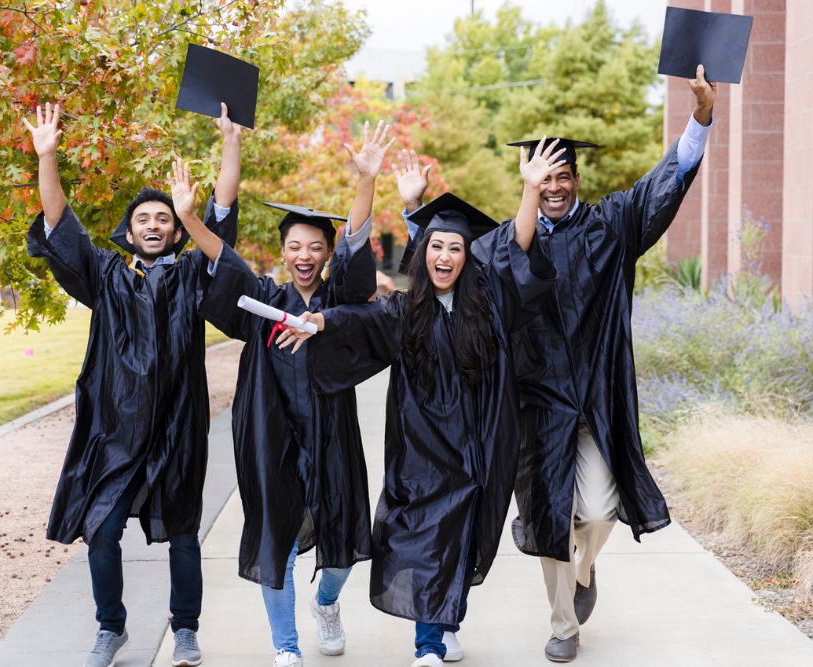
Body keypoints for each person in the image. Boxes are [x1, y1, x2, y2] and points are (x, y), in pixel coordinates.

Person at [284, 139, 564, 667]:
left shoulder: (489, 302)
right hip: (421, 450)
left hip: (479, 448)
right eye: (436, 247)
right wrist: (318, 320)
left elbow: (518, 247)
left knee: (462, 540)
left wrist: (530, 190)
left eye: (456, 249)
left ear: (467, 257)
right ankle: (428, 646)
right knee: (425, 539)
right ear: (422, 254)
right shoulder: (404, 311)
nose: (445, 256)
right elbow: (355, 321)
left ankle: (445, 618)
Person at [492, 65, 715, 662]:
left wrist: (699, 117)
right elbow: (473, 266)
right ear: (530, 183)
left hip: (596, 397)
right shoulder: (511, 236)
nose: (555, 187)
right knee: (548, 521)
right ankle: (563, 625)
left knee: (592, 511)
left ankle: (586, 571)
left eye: (563, 176)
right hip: (537, 406)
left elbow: (660, 186)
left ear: (577, 178)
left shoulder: (610, 226)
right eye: (544, 179)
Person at [23, 101, 244, 667]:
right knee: (102, 528)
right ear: (129, 229)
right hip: (114, 429)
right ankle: (110, 626)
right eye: (144, 218)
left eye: (164, 219)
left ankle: (186, 628)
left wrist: (229, 143)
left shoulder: (194, 274)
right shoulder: (107, 275)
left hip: (175, 424)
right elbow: (58, 224)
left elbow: (220, 213)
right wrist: (47, 157)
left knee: (185, 533)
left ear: (175, 230)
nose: (153, 225)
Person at [171, 121, 394, 667]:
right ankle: (286, 647)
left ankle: (326, 604)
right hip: (269, 436)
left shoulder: (338, 298)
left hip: (330, 434)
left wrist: (365, 182)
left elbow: (358, 251)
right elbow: (223, 260)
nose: (304, 254)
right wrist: (188, 217)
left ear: (324, 254)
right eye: (294, 245)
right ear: (283, 251)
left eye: (314, 246)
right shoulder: (263, 300)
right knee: (278, 540)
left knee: (343, 544)